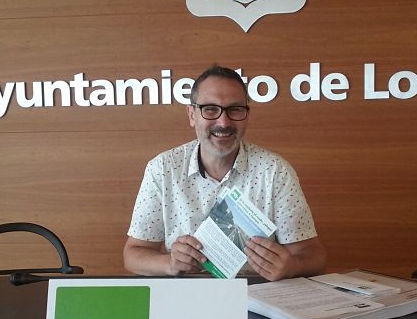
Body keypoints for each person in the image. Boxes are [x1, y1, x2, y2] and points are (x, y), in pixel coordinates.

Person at [123, 65, 326, 281]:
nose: (223, 122)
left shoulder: (275, 171)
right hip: (188, 293)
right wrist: (170, 263)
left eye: (235, 109)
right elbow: (133, 254)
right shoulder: (163, 169)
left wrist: (292, 266)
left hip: (256, 292)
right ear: (191, 115)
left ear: (246, 115)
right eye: (210, 109)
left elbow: (314, 255)